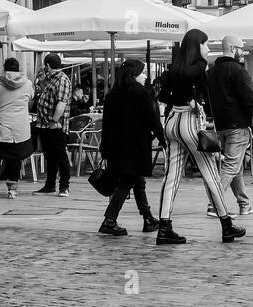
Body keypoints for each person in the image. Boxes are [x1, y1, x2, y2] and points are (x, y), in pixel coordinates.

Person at [154, 29, 235, 245]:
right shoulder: (199, 66)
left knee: (171, 177)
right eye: (206, 45)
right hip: (189, 123)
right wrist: (192, 101)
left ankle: (164, 226)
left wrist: (181, 98)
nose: (208, 49)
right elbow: (204, 93)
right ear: (197, 46)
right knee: (211, 174)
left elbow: (162, 96)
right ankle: (226, 224)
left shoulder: (173, 69)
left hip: (172, 122)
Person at [97, 59, 165, 236]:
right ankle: (109, 221)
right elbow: (153, 120)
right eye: (142, 73)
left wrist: (104, 148)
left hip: (116, 148)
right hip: (135, 147)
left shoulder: (113, 94)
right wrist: (163, 139)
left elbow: (107, 124)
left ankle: (148, 217)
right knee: (127, 182)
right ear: (134, 75)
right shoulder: (140, 93)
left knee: (137, 181)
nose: (145, 76)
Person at [204, 34, 253, 235]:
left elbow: (207, 98)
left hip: (220, 125)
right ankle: (215, 204)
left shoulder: (210, 72)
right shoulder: (238, 70)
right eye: (240, 48)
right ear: (232, 48)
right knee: (231, 165)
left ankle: (244, 203)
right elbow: (248, 97)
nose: (243, 51)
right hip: (238, 124)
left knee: (234, 165)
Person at [0, 57, 34, 200]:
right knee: (15, 157)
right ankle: (12, 191)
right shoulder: (27, 83)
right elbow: (31, 96)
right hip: (19, 128)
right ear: (18, 68)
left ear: (4, 68)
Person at [32, 53, 72, 197]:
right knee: (50, 156)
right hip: (44, 125)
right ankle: (49, 185)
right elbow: (47, 96)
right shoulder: (50, 79)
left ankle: (64, 186)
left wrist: (54, 121)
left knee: (60, 155)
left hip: (55, 125)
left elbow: (61, 104)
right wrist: (42, 81)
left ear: (47, 65)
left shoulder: (62, 80)